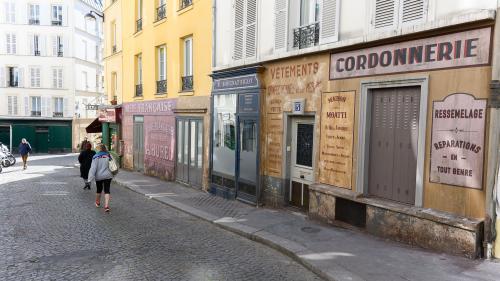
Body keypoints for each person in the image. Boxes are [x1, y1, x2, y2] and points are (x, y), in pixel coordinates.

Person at [87, 144, 114, 212]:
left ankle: (97, 202)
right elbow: (113, 165)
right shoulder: (109, 155)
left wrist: (89, 179)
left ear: (98, 149)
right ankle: (106, 206)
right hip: (108, 175)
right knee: (107, 190)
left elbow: (93, 168)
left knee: (99, 189)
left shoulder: (95, 157)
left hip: (99, 176)